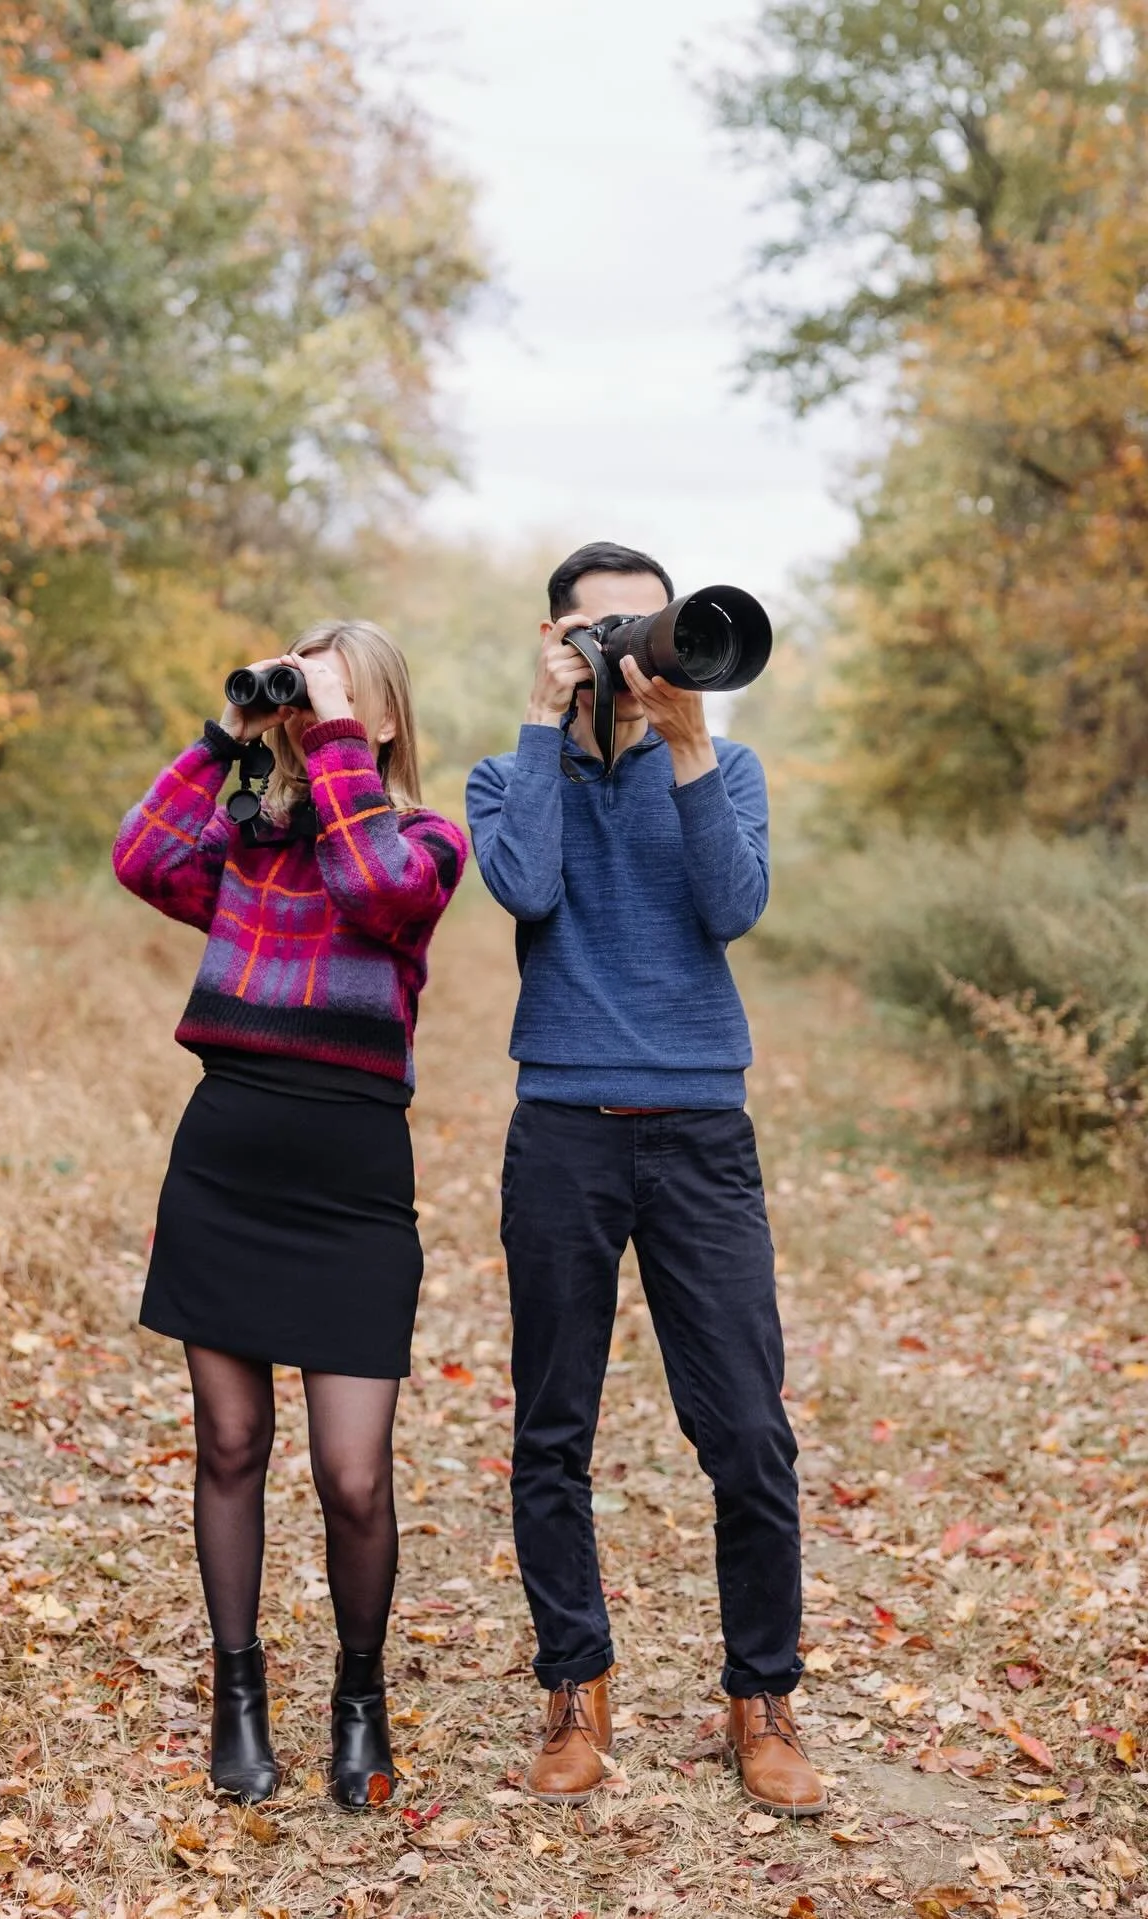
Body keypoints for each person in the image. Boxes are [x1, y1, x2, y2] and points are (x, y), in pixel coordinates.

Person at [464, 542, 826, 1816]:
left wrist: (683, 750)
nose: (630, 650)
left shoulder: (724, 767)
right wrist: (541, 721)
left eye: (646, 627)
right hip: (561, 1123)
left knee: (746, 1427)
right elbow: (525, 885)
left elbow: (733, 908)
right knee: (551, 1430)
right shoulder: (511, 770)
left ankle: (761, 1696)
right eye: (600, 631)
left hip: (698, 1131)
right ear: (558, 638)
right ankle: (577, 1684)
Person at [113, 621, 467, 1809]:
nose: (309, 711)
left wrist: (329, 747)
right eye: (301, 688)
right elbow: (140, 858)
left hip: (353, 1182)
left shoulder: (422, 841)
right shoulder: (247, 846)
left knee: (353, 1473)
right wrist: (226, 737)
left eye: (332, 694)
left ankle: (358, 1702)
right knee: (228, 1445)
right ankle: (239, 1695)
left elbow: (375, 892)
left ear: (379, 718)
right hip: (225, 1162)